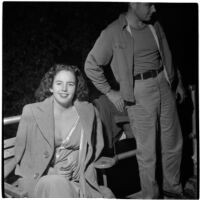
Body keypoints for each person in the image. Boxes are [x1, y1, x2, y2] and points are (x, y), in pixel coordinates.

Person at [84, 3, 186, 199]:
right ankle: (151, 196)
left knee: (173, 143)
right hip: (139, 92)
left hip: (164, 84)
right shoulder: (113, 31)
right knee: (147, 153)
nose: (154, 9)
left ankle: (172, 189)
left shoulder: (154, 25)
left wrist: (177, 81)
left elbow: (167, 55)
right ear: (133, 3)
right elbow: (91, 65)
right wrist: (111, 93)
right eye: (149, 4)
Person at [4, 64, 114, 198]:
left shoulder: (88, 112)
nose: (64, 89)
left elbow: (96, 147)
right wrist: (50, 171)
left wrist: (77, 162)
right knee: (55, 183)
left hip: (77, 180)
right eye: (59, 83)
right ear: (51, 87)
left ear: (76, 87)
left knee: (107, 194)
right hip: (41, 179)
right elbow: (22, 154)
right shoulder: (31, 112)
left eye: (70, 84)